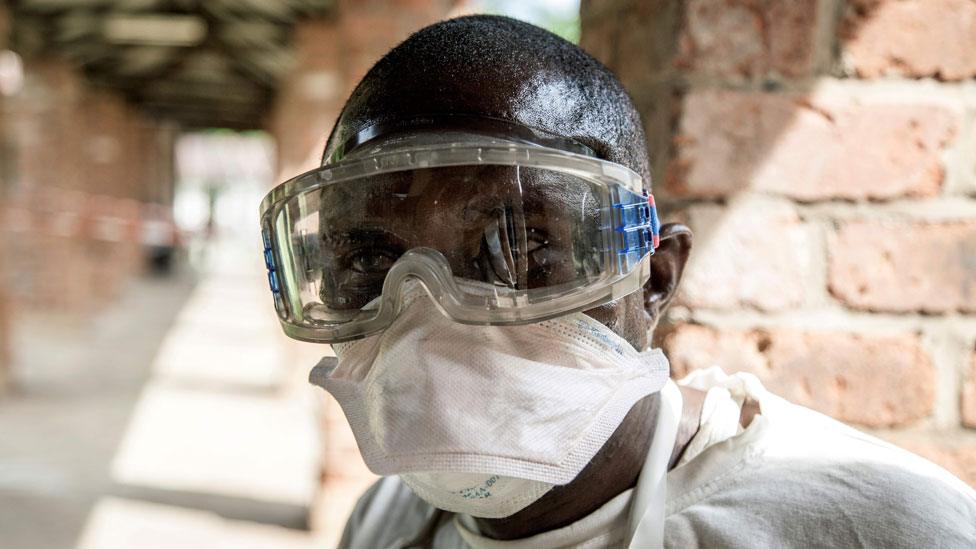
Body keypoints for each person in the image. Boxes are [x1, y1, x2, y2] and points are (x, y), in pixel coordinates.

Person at [258, 15, 976, 548]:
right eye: (370, 260)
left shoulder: (881, 527)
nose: (432, 321)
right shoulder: (386, 521)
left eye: (522, 245)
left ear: (655, 280)